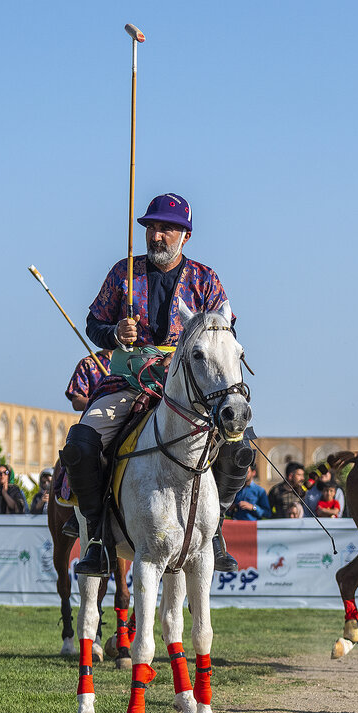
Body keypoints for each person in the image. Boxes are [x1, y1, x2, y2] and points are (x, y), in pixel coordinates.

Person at [60, 192, 247, 577]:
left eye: (167, 229)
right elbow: (93, 323)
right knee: (81, 442)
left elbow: (225, 333)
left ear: (185, 236)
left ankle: (214, 531)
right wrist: (115, 331)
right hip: (128, 382)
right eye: (152, 228)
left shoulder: (205, 280)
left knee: (239, 447)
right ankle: (96, 537)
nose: (157, 235)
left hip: (188, 391)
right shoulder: (122, 272)